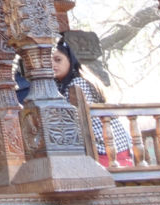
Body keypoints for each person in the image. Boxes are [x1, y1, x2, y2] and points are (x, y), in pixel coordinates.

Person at [52, 38, 133, 168]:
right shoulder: (65, 85)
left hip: (106, 147)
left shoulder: (77, 84)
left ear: (71, 60)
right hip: (108, 145)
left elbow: (74, 122)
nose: (52, 64)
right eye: (48, 61)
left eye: (58, 60)